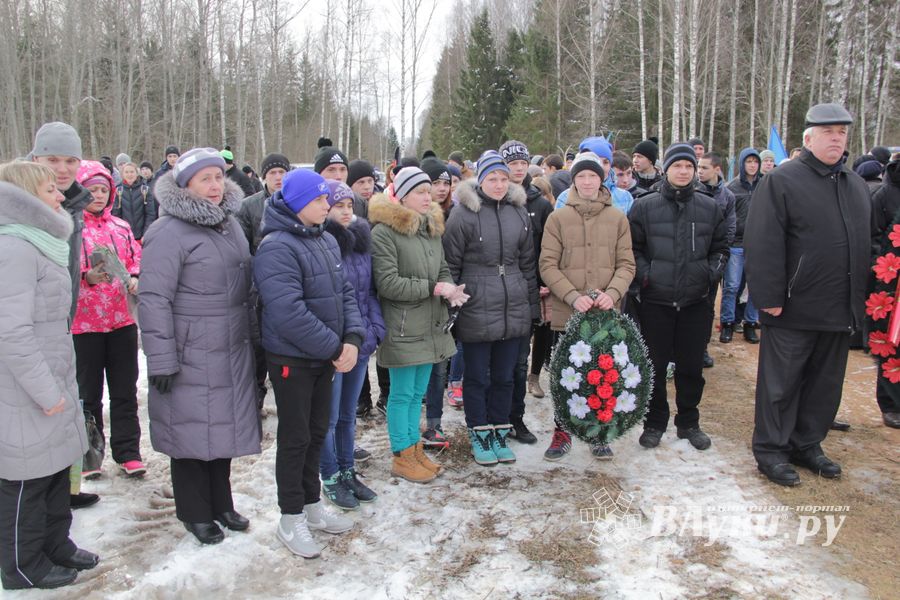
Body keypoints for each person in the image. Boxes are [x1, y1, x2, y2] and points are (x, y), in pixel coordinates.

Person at [139, 148, 261, 544]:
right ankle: (194, 511)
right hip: (189, 346)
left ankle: (221, 502)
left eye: (217, 177)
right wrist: (161, 358)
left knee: (221, 428)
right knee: (189, 432)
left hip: (230, 342)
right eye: (203, 179)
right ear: (184, 184)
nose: (213, 186)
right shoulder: (168, 231)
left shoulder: (229, 224)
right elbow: (154, 297)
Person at [745, 104, 871, 486]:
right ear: (809, 138)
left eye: (842, 132)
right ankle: (771, 449)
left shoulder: (854, 184)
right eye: (828, 131)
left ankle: (807, 444)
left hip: (838, 307)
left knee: (824, 384)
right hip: (792, 305)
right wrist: (769, 296)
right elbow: (763, 240)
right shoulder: (782, 181)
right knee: (780, 385)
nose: (836, 138)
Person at [0, 161, 96, 590]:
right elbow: (11, 331)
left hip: (54, 375)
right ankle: (22, 566)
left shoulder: (42, 241)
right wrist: (44, 389)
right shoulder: (14, 248)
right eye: (50, 190)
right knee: (27, 482)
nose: (62, 195)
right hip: (24, 388)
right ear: (24, 197)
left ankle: (56, 545)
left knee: (56, 471)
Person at [629, 143, 729, 451]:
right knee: (655, 365)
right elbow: (633, 249)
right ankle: (655, 422)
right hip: (656, 300)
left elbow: (721, 248)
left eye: (689, 166)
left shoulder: (709, 206)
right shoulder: (644, 206)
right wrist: (647, 276)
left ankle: (688, 422)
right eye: (677, 166)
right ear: (666, 169)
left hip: (695, 300)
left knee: (690, 367)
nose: (683, 172)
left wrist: (709, 274)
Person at [443, 151, 539, 466]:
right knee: (477, 376)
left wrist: (531, 307)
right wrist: (452, 308)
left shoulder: (519, 212)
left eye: (502, 178)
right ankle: (479, 431)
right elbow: (451, 266)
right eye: (491, 179)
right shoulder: (462, 215)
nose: (498, 185)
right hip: (477, 304)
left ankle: (499, 429)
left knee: (505, 376)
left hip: (513, 304)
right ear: (480, 180)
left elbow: (527, 265)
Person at [539, 152, 636, 461]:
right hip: (568, 312)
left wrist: (613, 292)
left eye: (592, 176)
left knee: (602, 374)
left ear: (601, 179)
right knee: (566, 374)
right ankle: (562, 430)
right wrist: (572, 296)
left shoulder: (618, 218)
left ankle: (598, 431)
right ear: (573, 180)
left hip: (605, 313)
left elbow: (626, 264)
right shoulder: (558, 218)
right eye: (581, 176)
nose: (587, 181)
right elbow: (548, 265)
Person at [370, 167, 462, 479]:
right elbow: (388, 283)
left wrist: (450, 289)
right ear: (402, 196)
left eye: (430, 190)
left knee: (418, 392)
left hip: (431, 324)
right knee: (402, 393)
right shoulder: (383, 232)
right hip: (403, 325)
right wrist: (433, 288)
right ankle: (401, 455)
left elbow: (443, 268)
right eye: (420, 192)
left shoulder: (431, 228)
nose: (429, 196)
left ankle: (415, 449)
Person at [27, 121, 98, 510]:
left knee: (62, 417)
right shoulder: (24, 200)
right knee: (33, 425)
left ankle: (63, 497)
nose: (63, 168)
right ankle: (32, 529)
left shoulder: (70, 201)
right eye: (52, 159)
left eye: (71, 160)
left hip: (61, 321)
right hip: (29, 327)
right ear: (35, 159)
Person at [73, 161, 145, 479]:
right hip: (84, 324)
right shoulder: (70, 227)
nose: (98, 196)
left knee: (124, 390)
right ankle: (90, 454)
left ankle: (128, 452)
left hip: (121, 321)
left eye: (103, 190)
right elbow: (58, 271)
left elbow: (136, 259)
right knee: (88, 393)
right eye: (91, 190)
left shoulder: (121, 227)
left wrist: (134, 276)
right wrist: (84, 277)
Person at [319, 180, 383, 509]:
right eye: (338, 205)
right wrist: (336, 344)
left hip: (360, 342)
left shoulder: (360, 242)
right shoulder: (321, 242)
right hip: (333, 347)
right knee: (328, 418)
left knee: (347, 415)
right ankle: (329, 474)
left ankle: (347, 470)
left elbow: (369, 291)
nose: (346, 212)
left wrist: (372, 331)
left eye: (349, 206)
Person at [499, 140, 552, 446]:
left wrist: (544, 282)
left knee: (520, 360)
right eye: (511, 164)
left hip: (529, 291)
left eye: (522, 163)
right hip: (497, 292)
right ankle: (496, 417)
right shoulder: (494, 198)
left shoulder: (540, 205)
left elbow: (547, 248)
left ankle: (515, 418)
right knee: (498, 362)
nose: (518, 169)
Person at [697, 151, 737, 367]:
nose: (699, 171)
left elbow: (730, 229)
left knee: (707, 307)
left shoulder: (727, 196)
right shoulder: (693, 190)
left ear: (717, 169)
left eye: (704, 167)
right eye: (699, 167)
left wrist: (717, 260)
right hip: (692, 258)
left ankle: (702, 347)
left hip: (711, 261)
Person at [870, 155, 900, 429]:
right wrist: (884, 267)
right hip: (891, 283)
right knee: (891, 344)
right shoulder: (886, 193)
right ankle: (891, 404)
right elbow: (872, 236)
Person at [723, 148, 763, 345]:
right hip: (736, 245)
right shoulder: (732, 187)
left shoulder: (765, 185)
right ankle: (728, 323)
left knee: (755, 287)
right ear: (742, 163)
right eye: (749, 161)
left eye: (756, 161)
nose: (753, 165)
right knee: (731, 286)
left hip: (758, 244)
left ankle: (750, 323)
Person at [113, 162, 158, 241]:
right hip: (125, 237)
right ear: (122, 174)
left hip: (142, 236)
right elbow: (116, 216)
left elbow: (150, 215)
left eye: (132, 172)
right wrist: (121, 234)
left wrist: (146, 234)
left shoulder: (145, 190)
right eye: (126, 172)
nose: (129, 175)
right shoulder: (118, 191)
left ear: (137, 173)